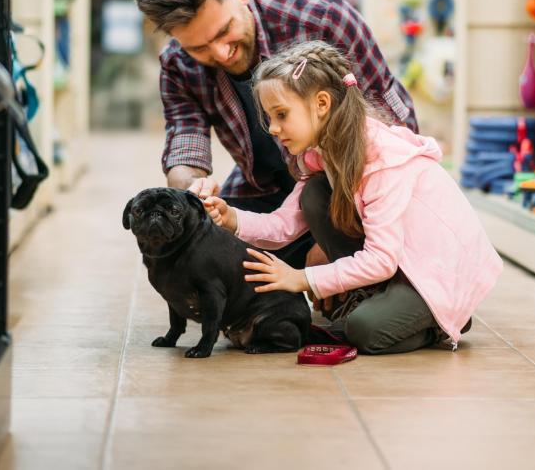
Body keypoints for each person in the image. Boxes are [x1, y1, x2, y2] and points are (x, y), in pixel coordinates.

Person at [133, 0, 417, 269]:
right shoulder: (177, 64)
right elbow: (185, 144)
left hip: (353, 190)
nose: (221, 53)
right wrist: (193, 190)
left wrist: (333, 240)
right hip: (267, 192)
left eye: (225, 31)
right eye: (199, 48)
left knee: (324, 212)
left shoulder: (321, 17)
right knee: (203, 248)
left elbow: (395, 131)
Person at [202, 41, 503, 354]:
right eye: (269, 118)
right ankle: (379, 299)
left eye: (281, 114)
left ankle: (441, 322)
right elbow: (283, 226)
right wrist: (231, 217)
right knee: (315, 195)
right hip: (401, 261)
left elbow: (381, 260)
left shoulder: (381, 159)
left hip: (436, 270)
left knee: (363, 331)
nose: (274, 129)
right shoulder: (322, 154)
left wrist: (301, 279)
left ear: (321, 103)